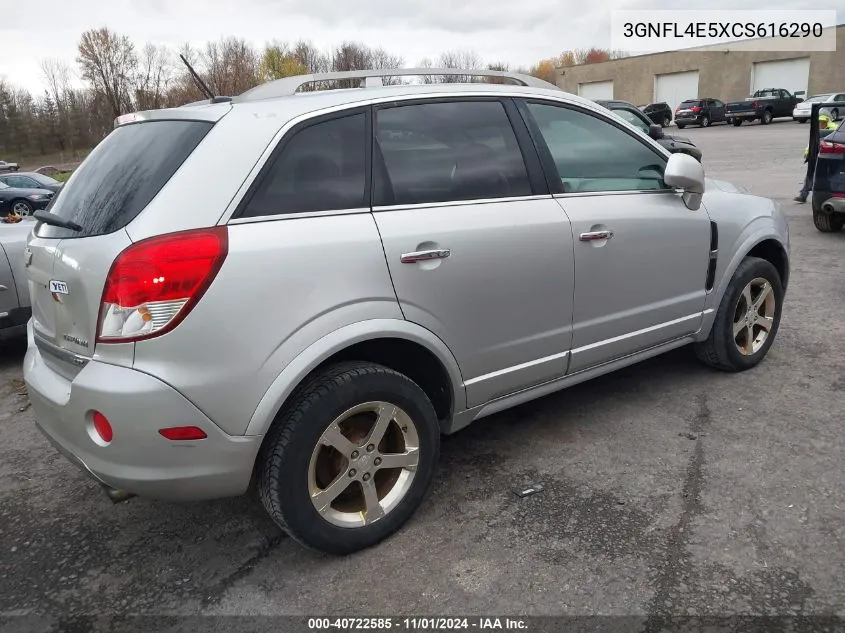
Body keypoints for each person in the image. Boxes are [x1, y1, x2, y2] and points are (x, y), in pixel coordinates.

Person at [795, 112, 833, 203]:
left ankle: (829, 196)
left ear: (827, 122)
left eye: (822, 122)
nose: (821, 124)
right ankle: (803, 195)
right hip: (814, 158)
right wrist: (808, 154)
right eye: (819, 122)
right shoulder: (817, 131)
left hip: (827, 158)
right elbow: (811, 145)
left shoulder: (832, 130)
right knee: (810, 176)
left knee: (827, 178)